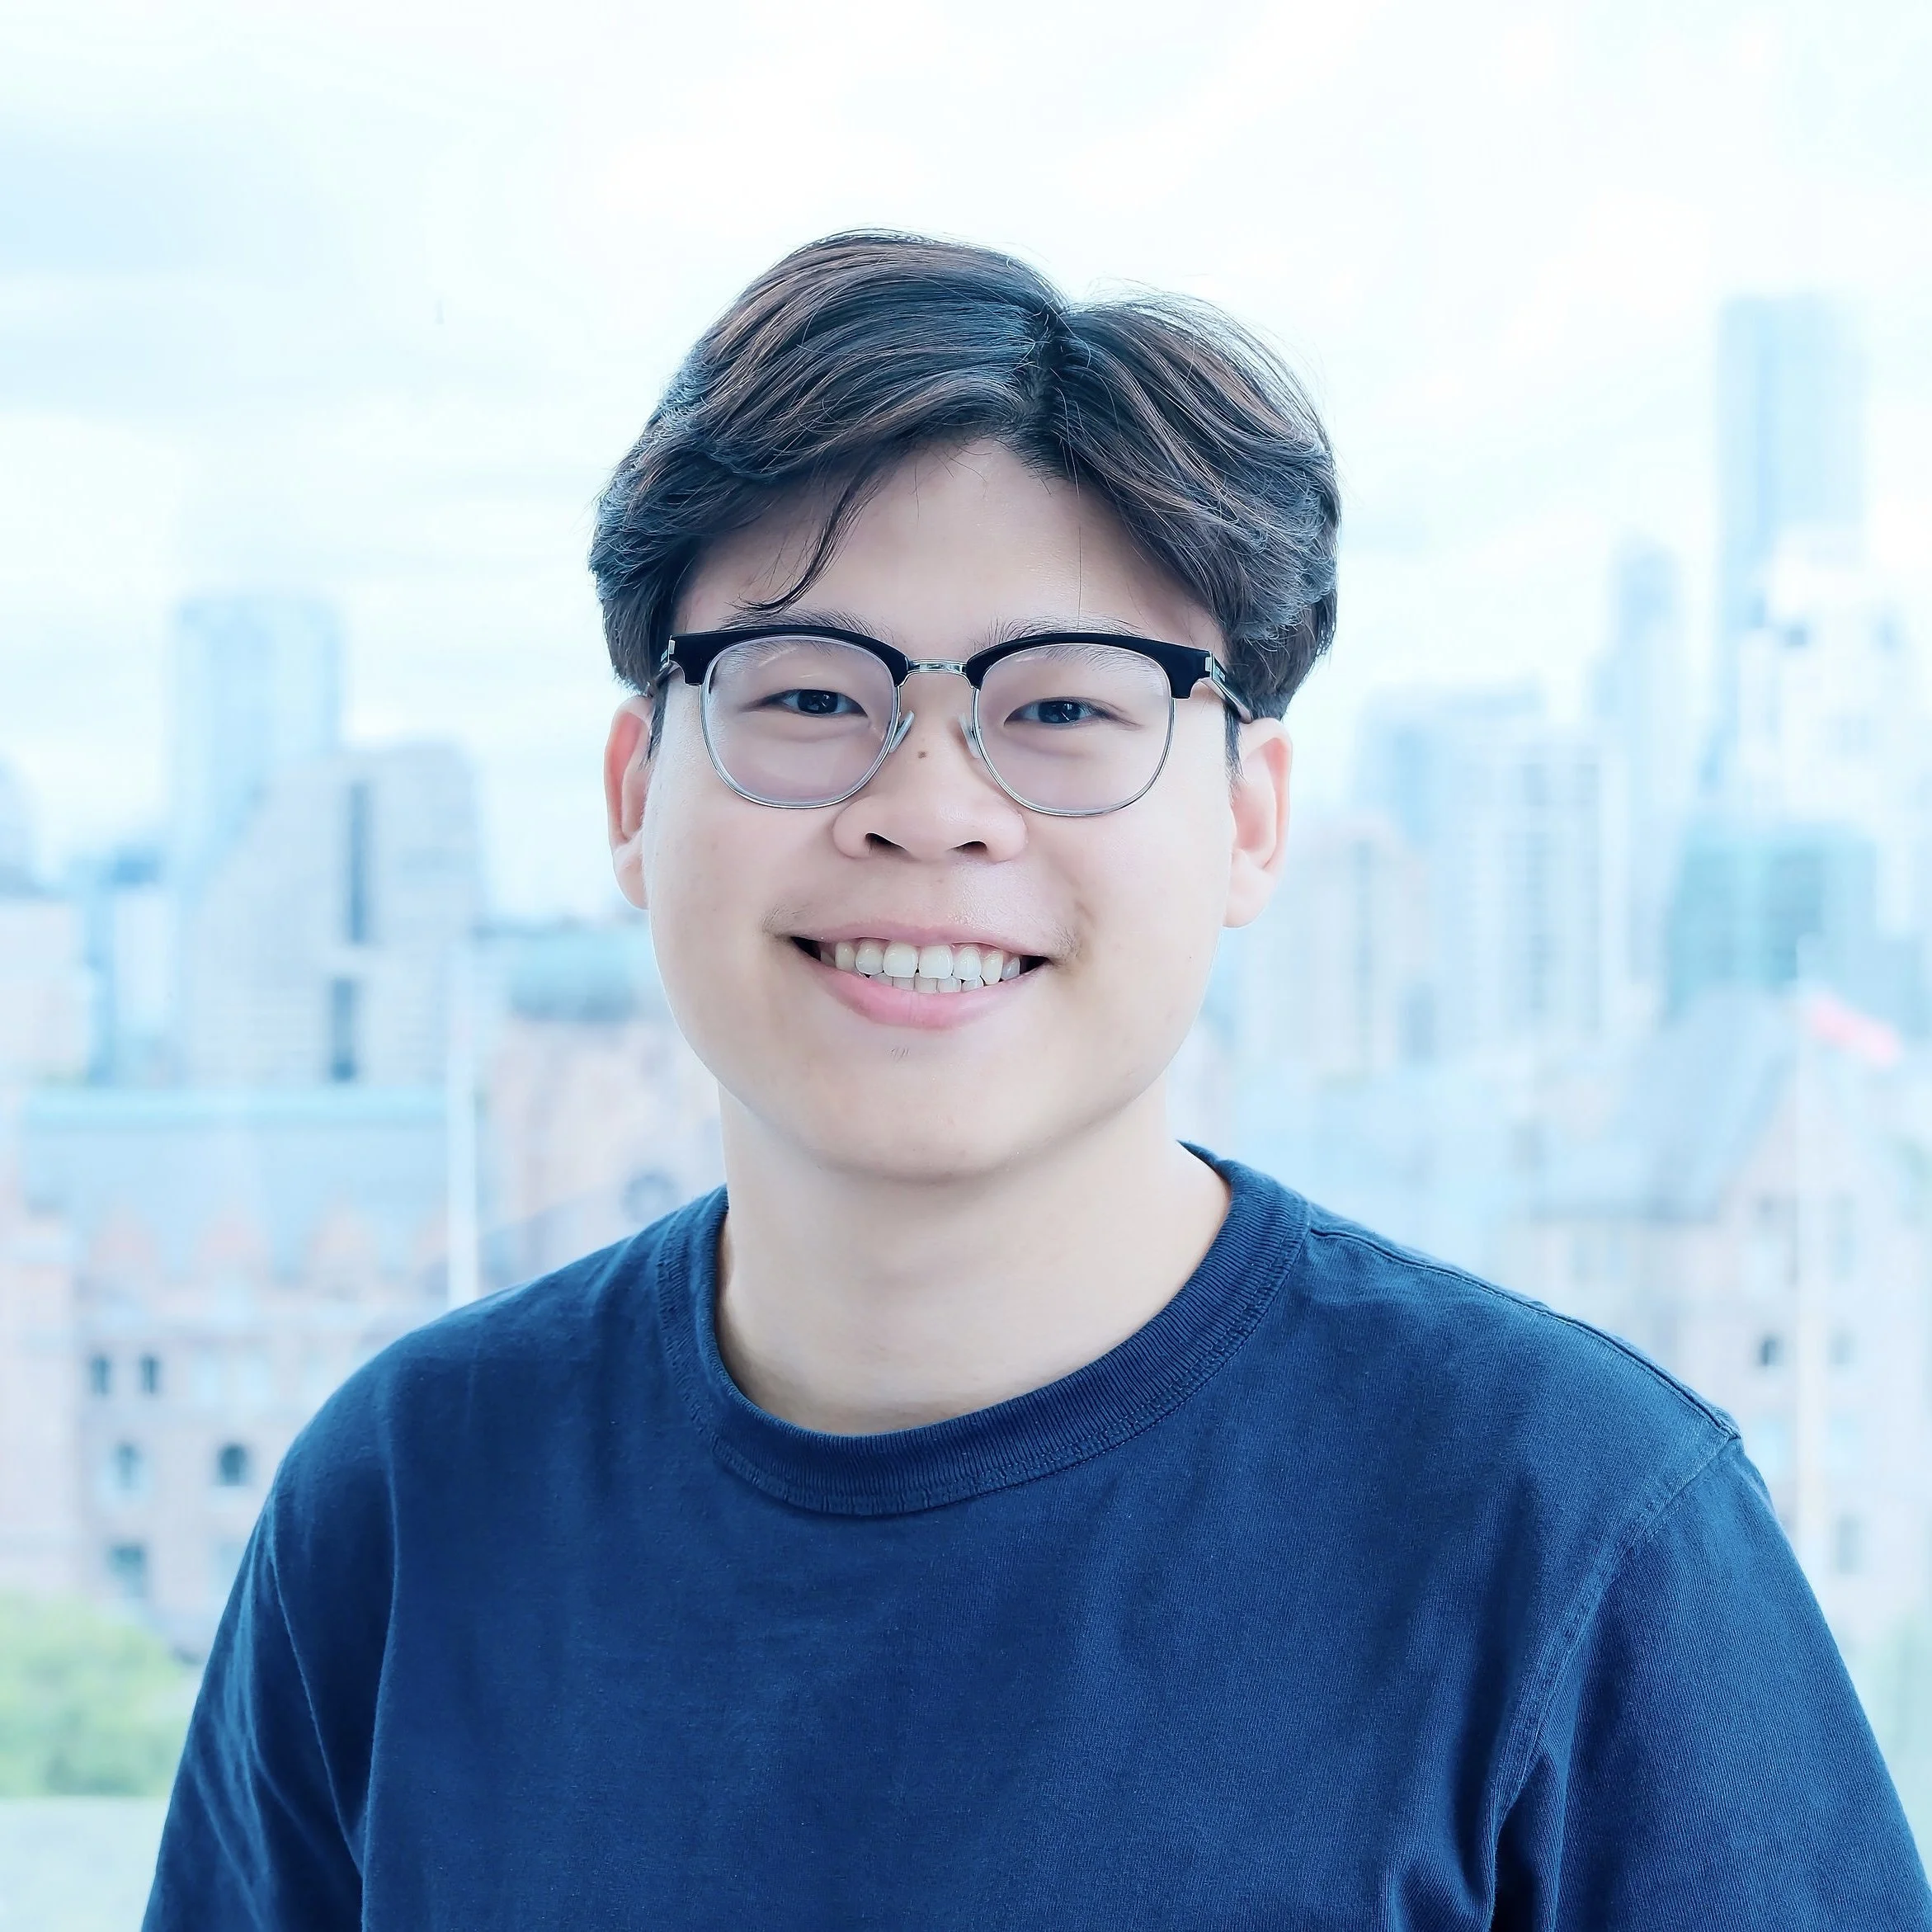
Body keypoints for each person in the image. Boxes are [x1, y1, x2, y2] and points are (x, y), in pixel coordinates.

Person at [146, 232, 1931, 1930]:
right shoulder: (405, 1504)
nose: (928, 802)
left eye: (1066, 708)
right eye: (805, 694)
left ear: (1248, 818)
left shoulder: (1578, 1534)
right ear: (632, 791)